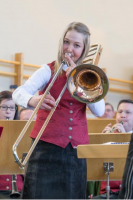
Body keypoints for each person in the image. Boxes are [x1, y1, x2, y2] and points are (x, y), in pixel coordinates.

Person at [12, 22, 105, 200]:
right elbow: (19, 92)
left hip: (75, 152)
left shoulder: (87, 76)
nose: (69, 49)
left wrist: (77, 79)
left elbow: (99, 111)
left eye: (76, 45)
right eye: (66, 42)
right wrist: (33, 100)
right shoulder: (47, 70)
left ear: (84, 50)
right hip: (44, 149)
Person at [92, 99, 133, 200]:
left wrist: (123, 139)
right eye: (120, 112)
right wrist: (102, 141)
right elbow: (95, 167)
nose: (123, 115)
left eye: (128, 112)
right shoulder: (110, 135)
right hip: (109, 193)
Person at [0, 90, 23, 200]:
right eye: (4, 107)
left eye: (12, 108)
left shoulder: (21, 132)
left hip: (19, 189)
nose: (8, 112)